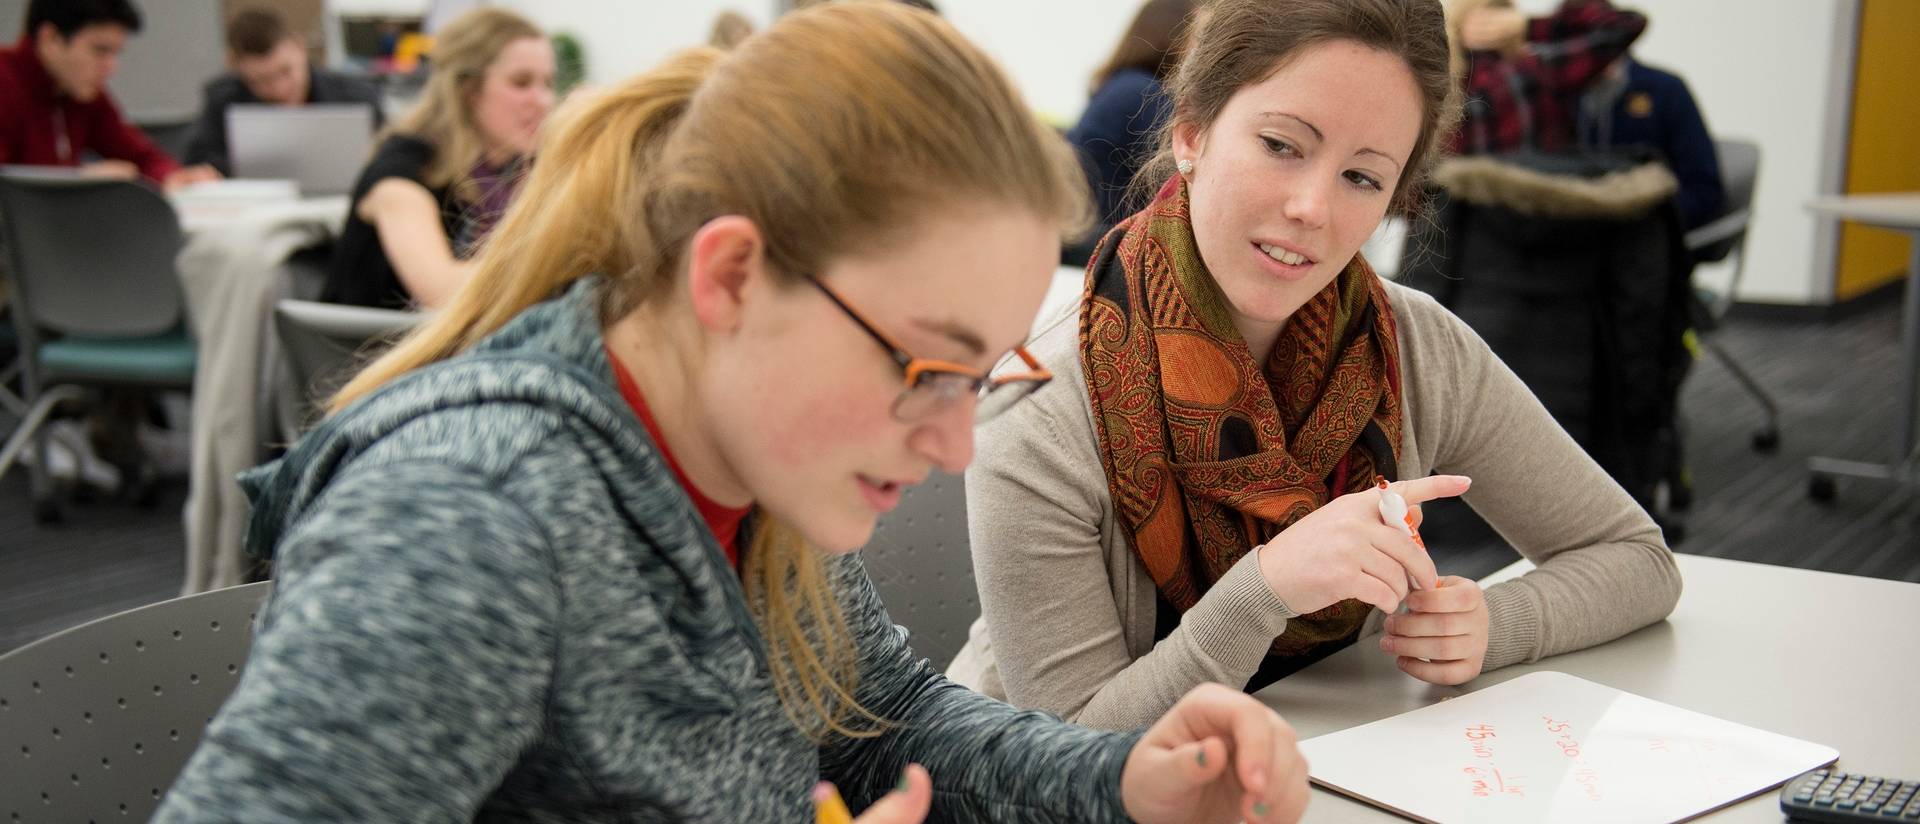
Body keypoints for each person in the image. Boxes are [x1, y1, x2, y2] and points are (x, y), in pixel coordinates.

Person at [153, 4, 1311, 822]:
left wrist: (1117, 782)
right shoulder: (472, 517)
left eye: (985, 375)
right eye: (927, 369)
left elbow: (879, 718)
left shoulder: (759, 456)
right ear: (730, 278)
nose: (959, 443)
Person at [946, 0, 1682, 732]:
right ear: (1192, 134)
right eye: (1281, 145)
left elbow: (1634, 558)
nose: (1312, 208)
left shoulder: (1416, 348)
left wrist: (1492, 621)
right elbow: (1067, 750)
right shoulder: (1041, 406)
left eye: (1362, 178)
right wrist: (1264, 590)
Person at [319, 8, 554, 311]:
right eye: (521, 83)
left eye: (547, 83)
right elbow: (442, 292)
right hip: (380, 352)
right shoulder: (401, 172)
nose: (543, 100)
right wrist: (556, 259)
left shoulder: (516, 169)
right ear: (468, 90)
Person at [0, 0, 219, 189]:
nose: (111, 66)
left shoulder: (79, 91)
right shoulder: (7, 83)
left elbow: (140, 156)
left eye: (116, 53)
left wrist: (173, 176)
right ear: (51, 38)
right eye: (100, 50)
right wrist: (76, 181)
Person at [182, 7, 385, 177]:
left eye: (285, 71)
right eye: (260, 81)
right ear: (236, 67)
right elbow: (200, 159)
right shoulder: (223, 99)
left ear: (300, 48)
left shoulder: (356, 97)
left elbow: (388, 157)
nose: (280, 89)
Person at [1446, 0, 1646, 156]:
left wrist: (1529, 25)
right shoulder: (1438, 81)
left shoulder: (1537, 69)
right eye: (1481, 15)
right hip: (1468, 202)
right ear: (1460, 20)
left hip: (1523, 199)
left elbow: (1626, 25)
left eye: (1497, 14)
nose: (1488, 25)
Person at [1069, 0, 1194, 233]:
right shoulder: (1145, 94)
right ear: (1173, 38)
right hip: (1102, 237)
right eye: (1198, 39)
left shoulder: (1123, 83)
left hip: (1081, 225)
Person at [1579, 54, 1724, 230]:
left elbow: (1704, 190)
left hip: (1647, 238)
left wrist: (1649, 226)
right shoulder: (1553, 97)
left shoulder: (1665, 90)